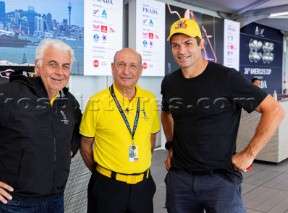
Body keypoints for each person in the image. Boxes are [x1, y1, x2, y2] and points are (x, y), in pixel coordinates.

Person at [161, 18, 285, 213]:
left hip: (220, 180)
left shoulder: (227, 78)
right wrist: (170, 146)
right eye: (175, 45)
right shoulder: (170, 82)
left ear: (201, 44)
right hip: (180, 179)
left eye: (188, 43)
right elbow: (166, 113)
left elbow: (275, 110)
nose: (181, 51)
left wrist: (249, 154)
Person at [0, 38, 82, 212]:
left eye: (65, 66)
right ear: (38, 66)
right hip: (14, 204)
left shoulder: (68, 101)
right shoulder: (8, 95)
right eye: (53, 64)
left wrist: (69, 149)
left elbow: (78, 129)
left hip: (56, 200)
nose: (60, 72)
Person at [80, 48, 160, 213]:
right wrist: (102, 173)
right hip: (107, 187)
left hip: (143, 186)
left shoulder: (150, 100)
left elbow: (151, 140)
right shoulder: (96, 102)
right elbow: (85, 145)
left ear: (140, 70)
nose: (126, 71)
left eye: (132, 66)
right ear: (112, 68)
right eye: (121, 64)